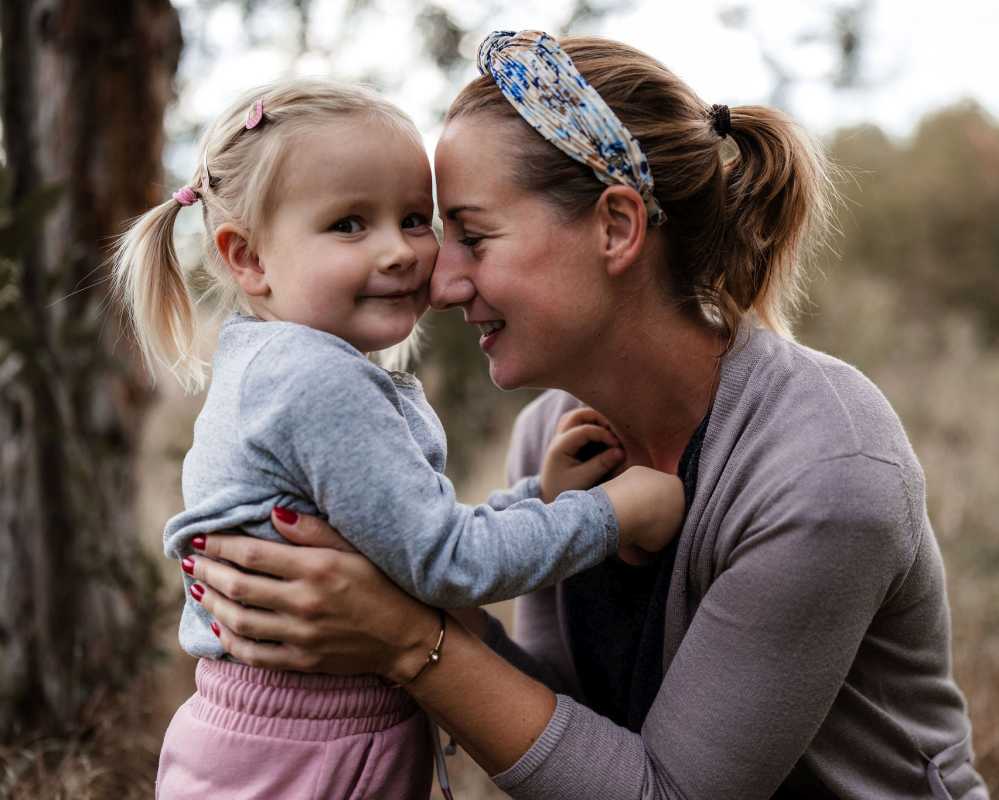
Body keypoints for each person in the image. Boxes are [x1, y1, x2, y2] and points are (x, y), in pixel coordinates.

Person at [182, 32, 990, 799]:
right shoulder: (556, 436)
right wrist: (412, 584)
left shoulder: (821, 472)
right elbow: (567, 739)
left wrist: (402, 638)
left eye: (469, 234)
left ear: (615, 227)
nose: (440, 279)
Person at [112, 76, 684, 800]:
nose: (403, 253)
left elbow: (405, 542)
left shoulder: (268, 364)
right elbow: (446, 564)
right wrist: (614, 514)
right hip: (310, 754)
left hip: (270, 739)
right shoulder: (320, 383)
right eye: (350, 225)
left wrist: (538, 499)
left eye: (416, 219)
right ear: (247, 257)